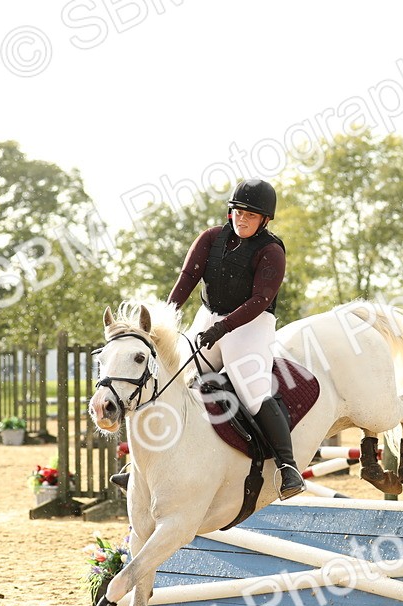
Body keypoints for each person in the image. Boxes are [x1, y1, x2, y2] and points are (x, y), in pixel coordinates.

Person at [112, 178, 305, 500]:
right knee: (174, 377)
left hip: (251, 323)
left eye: (251, 215)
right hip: (210, 315)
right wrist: (163, 319)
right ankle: (138, 465)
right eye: (238, 212)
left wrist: (221, 329)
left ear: (265, 220)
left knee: (251, 388)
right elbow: (187, 279)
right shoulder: (211, 238)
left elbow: (259, 301)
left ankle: (288, 467)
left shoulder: (271, 251)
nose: (243, 219)